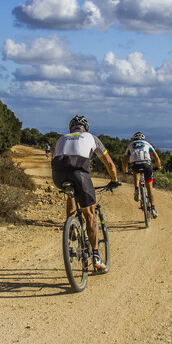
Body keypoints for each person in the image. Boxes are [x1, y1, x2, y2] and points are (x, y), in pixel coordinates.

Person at [51, 115, 120, 271]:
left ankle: (71, 229)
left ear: (71, 128)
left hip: (58, 175)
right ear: (85, 128)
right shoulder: (92, 138)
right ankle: (96, 256)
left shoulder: (62, 138)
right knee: (89, 213)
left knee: (71, 194)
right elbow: (109, 162)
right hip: (79, 174)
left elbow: (54, 157)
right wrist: (114, 179)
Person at [122, 131, 162, 218]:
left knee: (136, 171)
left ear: (134, 139)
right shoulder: (147, 144)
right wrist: (158, 167)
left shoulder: (131, 145)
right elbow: (157, 158)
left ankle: (136, 188)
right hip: (147, 165)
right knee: (149, 187)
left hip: (135, 164)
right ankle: (153, 209)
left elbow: (125, 160)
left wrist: (125, 171)